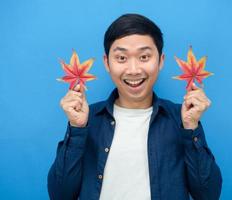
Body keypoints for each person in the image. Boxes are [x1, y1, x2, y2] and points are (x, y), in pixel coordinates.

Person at [47, 13, 222, 200]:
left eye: (144, 57)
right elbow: (60, 195)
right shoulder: (86, 120)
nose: (133, 70)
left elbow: (208, 195)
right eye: (121, 58)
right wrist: (76, 129)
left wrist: (191, 129)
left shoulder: (182, 119)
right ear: (107, 62)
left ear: (161, 60)